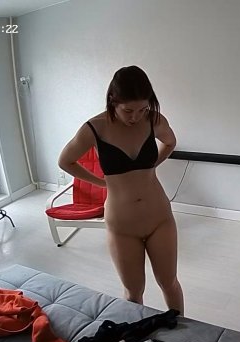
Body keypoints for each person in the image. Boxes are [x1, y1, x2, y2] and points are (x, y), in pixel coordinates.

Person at [57, 65, 184, 314]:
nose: (135, 117)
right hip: (122, 226)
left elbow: (170, 141)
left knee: (169, 283)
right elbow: (65, 161)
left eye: (142, 109)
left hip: (159, 218)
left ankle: (182, 330)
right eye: (128, 110)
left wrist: (153, 164)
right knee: (133, 293)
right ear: (113, 100)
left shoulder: (153, 120)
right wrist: (101, 182)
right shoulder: (95, 128)